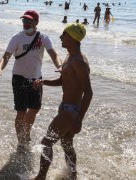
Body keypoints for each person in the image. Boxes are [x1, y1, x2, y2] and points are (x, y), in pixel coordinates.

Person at [32, 23, 93, 180]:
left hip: (71, 111)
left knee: (46, 142)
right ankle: (73, 176)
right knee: (66, 145)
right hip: (65, 107)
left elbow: (89, 93)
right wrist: (43, 81)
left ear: (72, 37)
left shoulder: (79, 61)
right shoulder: (69, 57)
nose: (60, 37)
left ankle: (41, 177)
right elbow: (63, 80)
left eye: (63, 34)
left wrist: (79, 119)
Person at [0, 10, 62, 144]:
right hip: (19, 77)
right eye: (24, 20)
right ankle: (21, 140)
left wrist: (59, 66)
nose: (25, 23)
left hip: (36, 78)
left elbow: (53, 54)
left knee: (35, 109)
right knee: (21, 111)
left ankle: (26, 131)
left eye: (29, 21)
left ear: (36, 22)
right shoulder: (17, 37)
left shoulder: (43, 38)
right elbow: (6, 56)